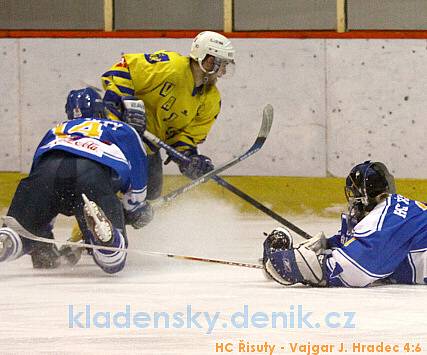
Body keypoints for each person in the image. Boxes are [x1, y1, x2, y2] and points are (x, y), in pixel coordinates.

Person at [0, 87, 153, 273]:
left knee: (25, 232)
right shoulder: (122, 128)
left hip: (46, 173)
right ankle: (105, 242)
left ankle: (6, 240)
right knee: (114, 261)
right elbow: (137, 172)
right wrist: (135, 208)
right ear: (101, 110)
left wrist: (42, 242)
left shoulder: (57, 129)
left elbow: (37, 175)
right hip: (92, 174)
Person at [101, 30, 235, 199]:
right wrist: (126, 103)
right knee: (104, 189)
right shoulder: (171, 66)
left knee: (150, 199)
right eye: (222, 65)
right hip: (115, 137)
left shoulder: (211, 100)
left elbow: (186, 136)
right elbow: (123, 69)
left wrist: (189, 158)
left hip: (146, 147)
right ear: (209, 61)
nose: (222, 72)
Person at [262, 161, 427, 287]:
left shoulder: (388, 219)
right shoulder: (395, 213)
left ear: (364, 196)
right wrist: (328, 245)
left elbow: (354, 269)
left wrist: (288, 262)